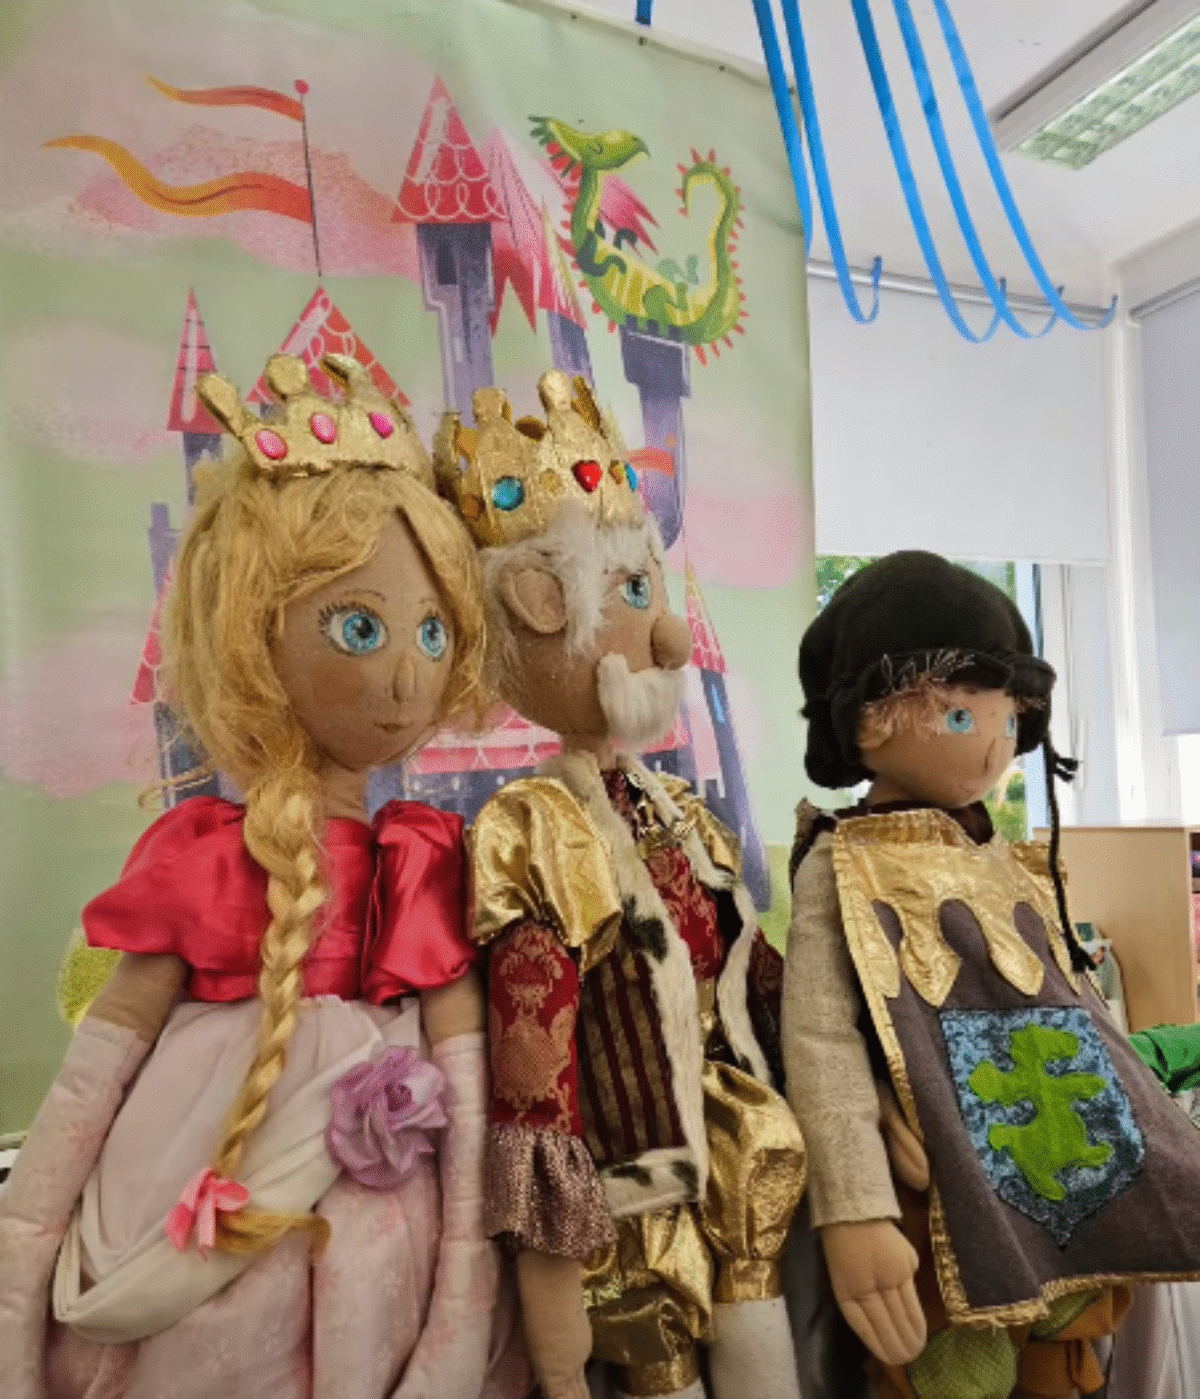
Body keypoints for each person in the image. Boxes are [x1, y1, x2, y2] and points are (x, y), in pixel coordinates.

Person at [0, 353, 527, 1399]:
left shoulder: (419, 857)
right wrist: (19, 1278)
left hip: (382, 1232)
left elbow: (469, 1103)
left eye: (432, 632)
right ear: (249, 632)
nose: (407, 672)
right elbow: (92, 1082)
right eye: (360, 628)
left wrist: (464, 1308)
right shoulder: (204, 853)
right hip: (196, 1170)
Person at [434, 371, 806, 1399]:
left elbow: (752, 966)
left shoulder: (672, 804)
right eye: (631, 596)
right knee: (661, 1360)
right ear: (538, 606)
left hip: (742, 1152)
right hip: (628, 1190)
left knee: (764, 1335)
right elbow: (533, 1051)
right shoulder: (532, 826)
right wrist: (550, 1273)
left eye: (651, 592)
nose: (670, 638)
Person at [784, 550, 1200, 1399]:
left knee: (1072, 1344)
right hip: (936, 1182)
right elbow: (821, 1039)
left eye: (1009, 718)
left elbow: (1074, 1000)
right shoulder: (842, 862)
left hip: (1057, 1155)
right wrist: (854, 1204)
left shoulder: (1002, 858)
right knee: (957, 1369)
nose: (995, 744)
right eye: (961, 715)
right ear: (871, 720)